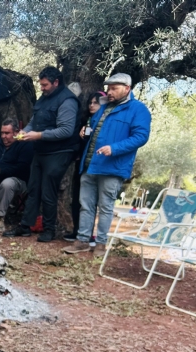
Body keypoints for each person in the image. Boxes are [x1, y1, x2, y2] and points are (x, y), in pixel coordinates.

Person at [64, 73, 151, 254]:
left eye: (114, 88)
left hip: (112, 166)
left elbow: (141, 137)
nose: (109, 92)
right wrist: (84, 131)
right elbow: (93, 128)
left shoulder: (138, 109)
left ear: (127, 89)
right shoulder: (103, 107)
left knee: (105, 207)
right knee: (86, 205)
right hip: (90, 165)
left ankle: (101, 244)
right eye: (108, 88)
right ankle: (82, 241)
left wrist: (115, 148)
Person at [4, 66, 82, 242]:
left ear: (56, 82)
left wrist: (38, 135)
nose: (42, 88)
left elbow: (66, 130)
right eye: (41, 84)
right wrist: (25, 132)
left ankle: (49, 229)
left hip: (60, 152)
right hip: (41, 150)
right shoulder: (44, 98)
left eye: (45, 84)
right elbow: (34, 121)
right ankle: (25, 226)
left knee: (48, 191)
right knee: (33, 189)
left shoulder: (67, 101)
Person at [64, 91, 105, 243]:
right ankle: (77, 231)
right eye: (90, 103)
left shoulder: (105, 122)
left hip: (99, 166)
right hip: (82, 165)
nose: (92, 105)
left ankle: (92, 235)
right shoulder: (85, 121)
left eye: (96, 102)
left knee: (93, 202)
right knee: (78, 200)